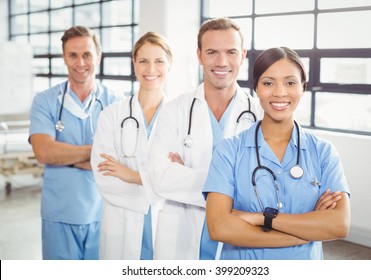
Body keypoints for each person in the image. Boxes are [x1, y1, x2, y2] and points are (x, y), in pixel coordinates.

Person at [203, 47, 351, 260]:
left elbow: (339, 225)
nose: (280, 92)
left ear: (303, 87)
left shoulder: (323, 152)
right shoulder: (229, 151)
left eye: (290, 83)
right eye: (268, 82)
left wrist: (262, 218)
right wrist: (303, 234)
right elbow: (219, 228)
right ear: (256, 88)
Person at [148, 17, 262, 260]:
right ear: (199, 56)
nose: (222, 62)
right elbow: (160, 178)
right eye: (212, 52)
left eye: (230, 52)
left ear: (242, 56)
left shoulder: (260, 114)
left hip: (240, 243)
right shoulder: (175, 110)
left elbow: (264, 188)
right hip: (181, 239)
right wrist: (233, 187)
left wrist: (186, 173)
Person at [29, 26, 121, 260]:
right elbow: (44, 152)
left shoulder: (115, 103)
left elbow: (120, 158)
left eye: (87, 54)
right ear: (64, 58)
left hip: (105, 212)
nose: (80, 62)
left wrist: (67, 157)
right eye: (73, 55)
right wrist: (95, 153)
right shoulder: (45, 101)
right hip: (59, 213)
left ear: (98, 57)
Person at [90, 32, 172, 259]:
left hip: (166, 226)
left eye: (159, 61)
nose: (151, 69)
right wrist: (159, 187)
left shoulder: (181, 118)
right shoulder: (112, 115)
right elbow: (104, 177)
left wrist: (133, 176)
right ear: (134, 64)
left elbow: (184, 180)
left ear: (169, 64)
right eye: (143, 60)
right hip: (122, 224)